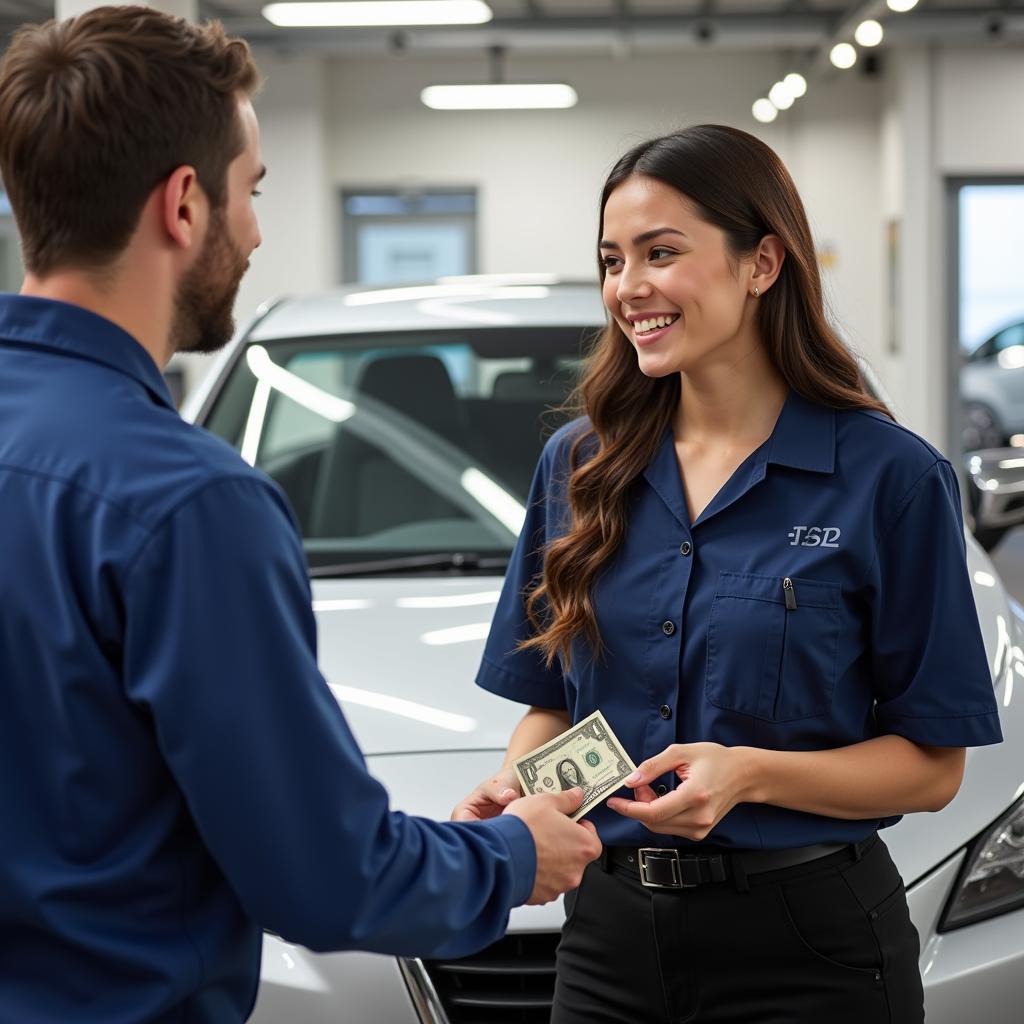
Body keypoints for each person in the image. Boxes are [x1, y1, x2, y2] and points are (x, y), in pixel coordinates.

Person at [0, 8, 601, 1023]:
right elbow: (325, 876)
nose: (257, 229)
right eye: (254, 191)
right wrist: (515, 852)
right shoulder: (187, 503)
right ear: (185, 204)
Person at [453, 124, 1003, 1023]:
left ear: (762, 263)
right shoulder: (578, 465)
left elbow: (931, 766)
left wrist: (749, 775)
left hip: (809, 948)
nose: (629, 288)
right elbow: (549, 700)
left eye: (661, 253)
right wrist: (525, 788)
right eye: (611, 259)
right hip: (610, 940)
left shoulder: (889, 478)